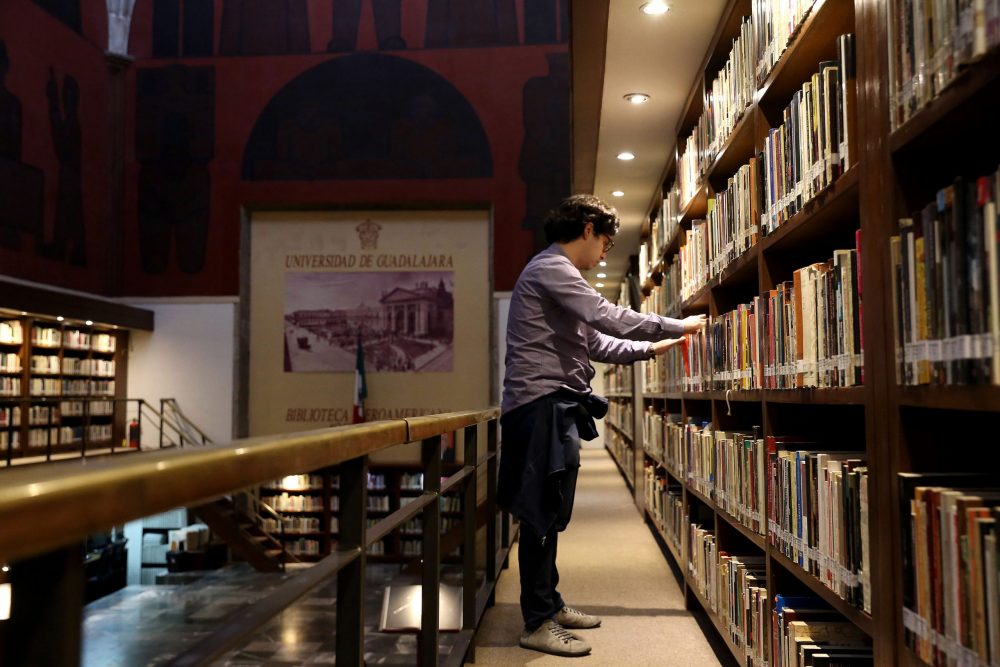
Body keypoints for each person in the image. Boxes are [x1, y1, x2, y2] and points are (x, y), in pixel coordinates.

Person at [498, 194, 706, 657]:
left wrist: (656, 348)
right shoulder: (552, 269)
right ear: (587, 228)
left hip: (553, 406)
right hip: (538, 407)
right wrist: (676, 324)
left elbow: (598, 342)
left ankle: (548, 604)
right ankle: (536, 621)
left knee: (549, 513)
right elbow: (606, 316)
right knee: (538, 515)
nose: (604, 255)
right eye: (607, 243)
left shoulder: (560, 278)